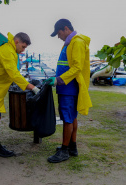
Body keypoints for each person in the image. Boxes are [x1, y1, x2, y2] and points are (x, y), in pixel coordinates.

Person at [0, 32, 40, 158]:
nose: (23, 50)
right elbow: (14, 74)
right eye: (23, 47)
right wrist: (33, 88)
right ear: (17, 42)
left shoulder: (9, 49)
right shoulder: (8, 52)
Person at [46, 19, 92, 163]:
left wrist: (59, 80)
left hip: (69, 88)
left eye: (59, 33)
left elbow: (77, 67)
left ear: (66, 29)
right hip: (66, 87)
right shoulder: (69, 43)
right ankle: (72, 147)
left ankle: (64, 151)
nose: (58, 37)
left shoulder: (77, 42)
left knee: (67, 118)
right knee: (72, 117)